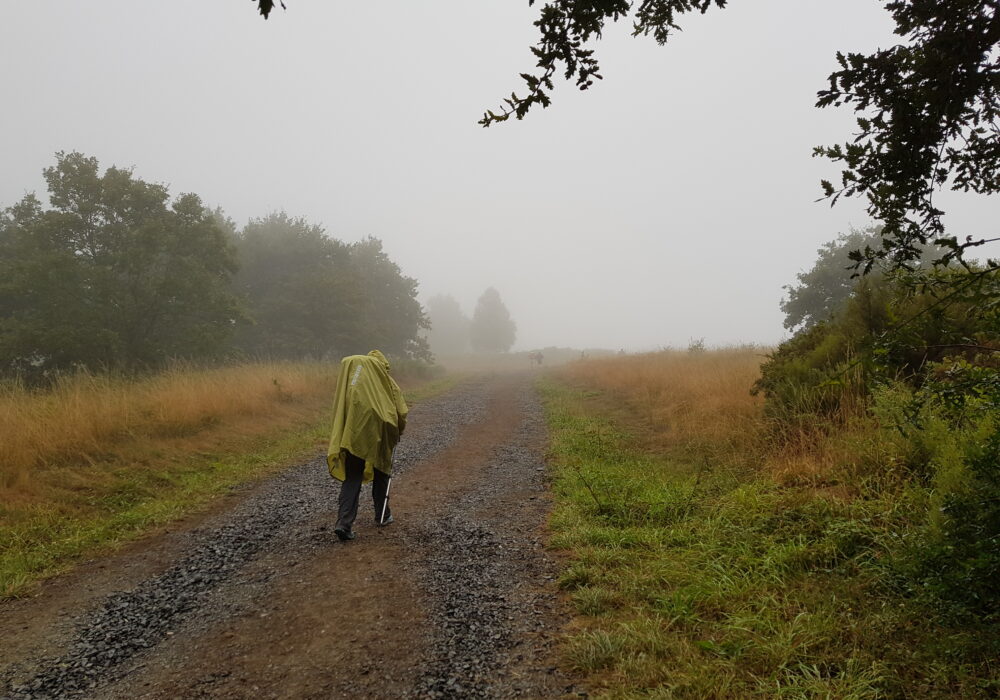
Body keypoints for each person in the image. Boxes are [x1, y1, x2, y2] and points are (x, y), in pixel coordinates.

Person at [326, 350, 408, 541]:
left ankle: (343, 524)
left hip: (353, 432)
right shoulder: (385, 379)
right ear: (382, 364)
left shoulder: (351, 379)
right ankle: (382, 515)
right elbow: (401, 410)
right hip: (379, 431)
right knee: (382, 472)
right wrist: (398, 431)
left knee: (353, 475)